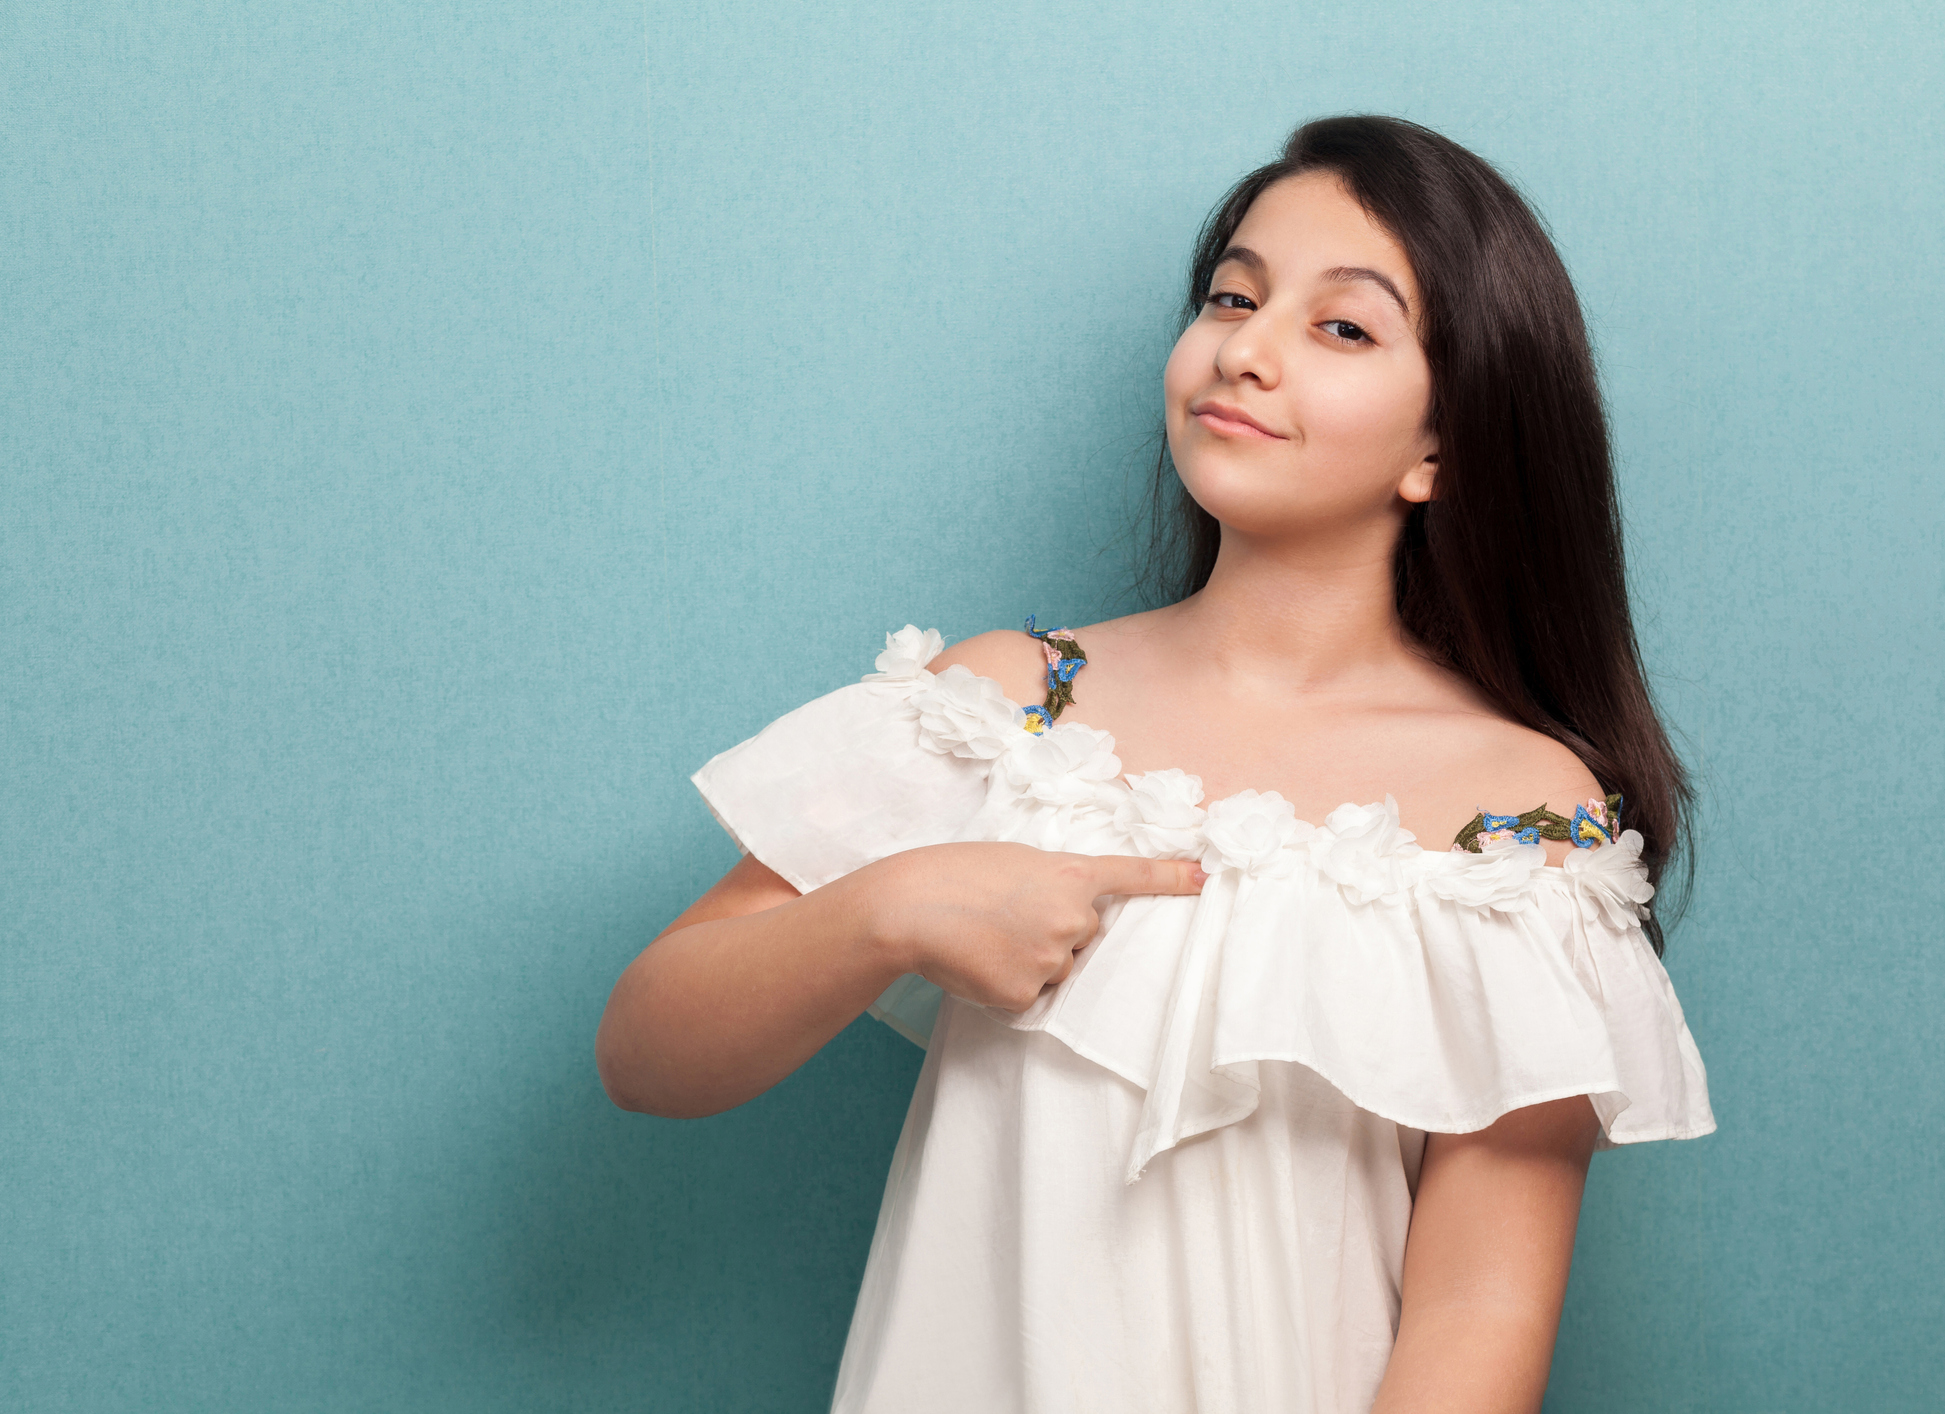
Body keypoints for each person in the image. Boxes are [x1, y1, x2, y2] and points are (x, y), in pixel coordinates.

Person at [595, 115, 1715, 1414]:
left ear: (1440, 447)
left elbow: (1479, 1308)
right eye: (1231, 296)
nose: (1243, 348)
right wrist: (889, 907)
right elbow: (649, 1051)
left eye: (1340, 327)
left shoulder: (1516, 819)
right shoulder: (1004, 705)